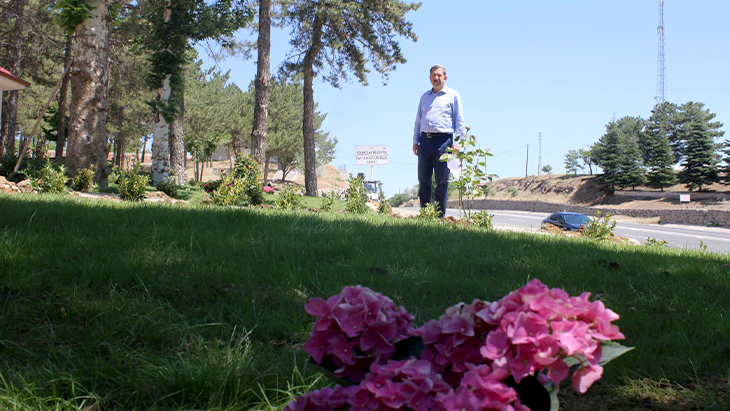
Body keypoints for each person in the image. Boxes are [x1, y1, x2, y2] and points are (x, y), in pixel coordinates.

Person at [412, 64, 466, 217]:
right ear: (430, 78)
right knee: (423, 179)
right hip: (425, 141)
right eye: (434, 75)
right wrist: (415, 141)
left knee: (442, 180)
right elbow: (418, 121)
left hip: (444, 142)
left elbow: (459, 122)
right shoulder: (424, 97)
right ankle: (425, 214)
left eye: (439, 75)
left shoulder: (453, 95)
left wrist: (458, 143)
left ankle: (440, 216)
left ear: (445, 77)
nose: (436, 78)